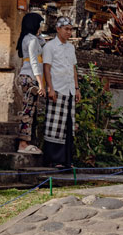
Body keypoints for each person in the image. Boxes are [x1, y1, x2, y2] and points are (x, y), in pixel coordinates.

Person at [42, 16, 79, 168]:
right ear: (58, 29)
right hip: (57, 88)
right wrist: (50, 88)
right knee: (55, 125)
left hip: (69, 89)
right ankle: (54, 159)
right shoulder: (50, 46)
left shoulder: (71, 48)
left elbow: (73, 68)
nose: (69, 32)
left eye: (71, 29)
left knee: (68, 125)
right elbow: (47, 68)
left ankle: (67, 160)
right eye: (66, 29)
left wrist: (77, 88)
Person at [15, 13, 46, 155]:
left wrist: (39, 35)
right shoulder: (32, 40)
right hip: (30, 77)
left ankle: (26, 141)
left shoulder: (28, 38)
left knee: (29, 109)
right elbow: (34, 62)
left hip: (27, 76)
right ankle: (23, 143)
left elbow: (43, 44)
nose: (41, 26)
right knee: (28, 111)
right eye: (39, 24)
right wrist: (41, 84)